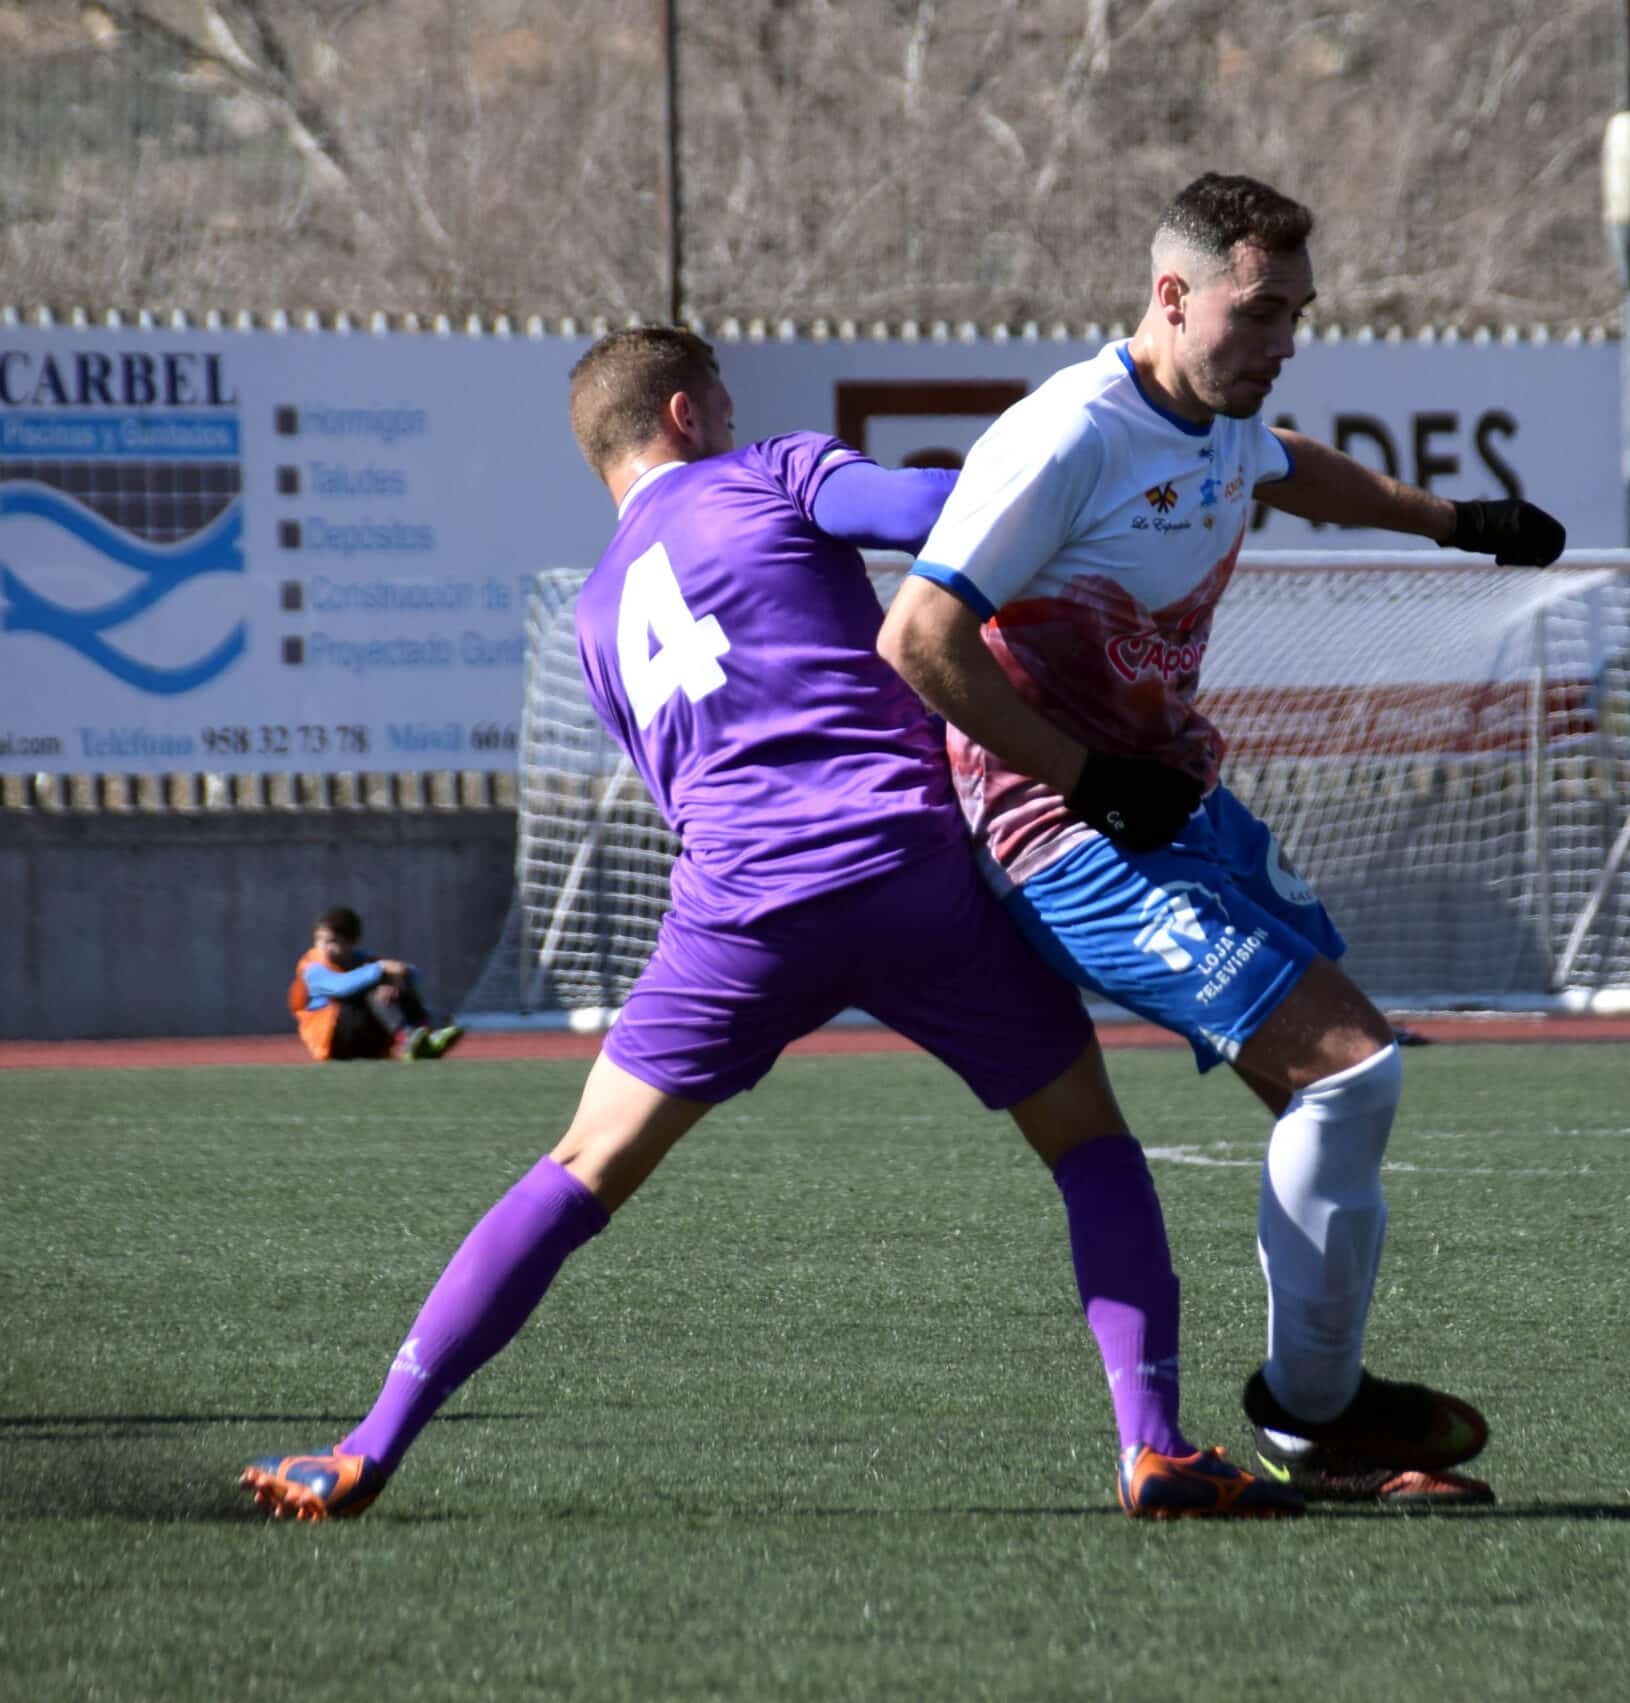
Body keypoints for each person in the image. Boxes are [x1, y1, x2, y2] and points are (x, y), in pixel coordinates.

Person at [239, 326, 1300, 1523]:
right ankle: (1149, 1443)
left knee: (580, 1166)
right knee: (1089, 1145)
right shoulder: (773, 472)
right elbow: (951, 508)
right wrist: (1115, 482)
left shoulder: (592, 616)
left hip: (737, 908)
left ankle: (366, 1446)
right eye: (726, 407)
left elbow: (680, 780)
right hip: (904, 869)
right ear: (688, 412)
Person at [878, 172, 1567, 1506]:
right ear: (1172, 294)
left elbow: (1287, 470)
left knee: (1338, 1083)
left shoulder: (1219, 419)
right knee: (1350, 1077)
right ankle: (1313, 1411)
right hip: (1061, 830)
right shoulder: (1067, 435)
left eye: (1300, 313)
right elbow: (918, 640)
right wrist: (1083, 780)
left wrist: (1455, 521)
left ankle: (1321, 1413)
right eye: (1260, 312)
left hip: (1169, 806)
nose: (1284, 340)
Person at [289, 904, 465, 1062]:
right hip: (332, 1041)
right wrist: (380, 969)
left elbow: (411, 974)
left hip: (364, 1039)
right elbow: (341, 987)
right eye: (319, 940)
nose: (324, 947)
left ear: (352, 942)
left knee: (390, 982)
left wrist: (396, 982)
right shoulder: (312, 967)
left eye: (333, 941)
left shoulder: (361, 960)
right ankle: (411, 1036)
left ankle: (425, 1032)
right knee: (375, 985)